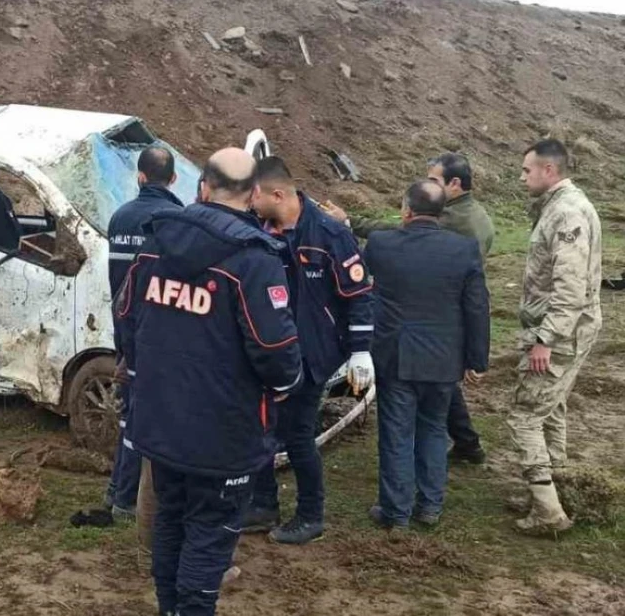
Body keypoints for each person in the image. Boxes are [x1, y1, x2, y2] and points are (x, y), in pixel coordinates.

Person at [116, 147, 302, 616]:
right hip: (224, 428)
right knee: (209, 535)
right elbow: (276, 349)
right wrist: (286, 383)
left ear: (202, 186)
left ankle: (169, 607)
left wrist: (144, 373)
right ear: (255, 194)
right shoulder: (254, 258)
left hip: (159, 418)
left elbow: (125, 318)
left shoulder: (154, 242)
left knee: (170, 522)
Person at [326, 153, 495, 464]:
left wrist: (349, 224)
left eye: (433, 180)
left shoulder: (453, 220)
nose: (427, 185)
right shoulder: (472, 213)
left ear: (453, 184)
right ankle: (465, 444)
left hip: (426, 320)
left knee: (412, 416)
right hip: (445, 325)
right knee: (440, 392)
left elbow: (400, 233)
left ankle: (407, 493)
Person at [243, 156, 375, 545]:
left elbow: (359, 296)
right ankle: (263, 504)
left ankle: (310, 514)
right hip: (269, 351)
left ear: (278, 194)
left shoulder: (329, 235)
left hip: (312, 354)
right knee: (262, 429)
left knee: (297, 435)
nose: (250, 202)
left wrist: (360, 350)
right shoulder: (256, 229)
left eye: (255, 195)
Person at [363, 180, 490, 529]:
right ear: (440, 211)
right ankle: (430, 506)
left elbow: (360, 288)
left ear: (406, 210)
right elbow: (477, 307)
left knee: (396, 434)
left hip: (396, 357)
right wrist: (476, 359)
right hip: (444, 358)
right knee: (434, 430)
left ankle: (395, 512)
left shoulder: (381, 244)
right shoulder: (464, 250)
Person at [509, 139, 601, 532]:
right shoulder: (560, 207)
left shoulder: (566, 213)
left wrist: (546, 339)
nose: (522, 176)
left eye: (527, 170)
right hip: (564, 329)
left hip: (561, 333)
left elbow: (569, 287)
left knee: (524, 416)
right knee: (552, 406)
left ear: (550, 170)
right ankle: (550, 486)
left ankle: (548, 510)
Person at [105, 146, 184, 522]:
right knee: (145, 421)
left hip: (125, 332)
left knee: (128, 415)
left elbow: (117, 283)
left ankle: (117, 490)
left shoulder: (120, 218)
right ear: (173, 179)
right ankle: (125, 500)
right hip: (160, 339)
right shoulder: (179, 221)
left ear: (139, 177)